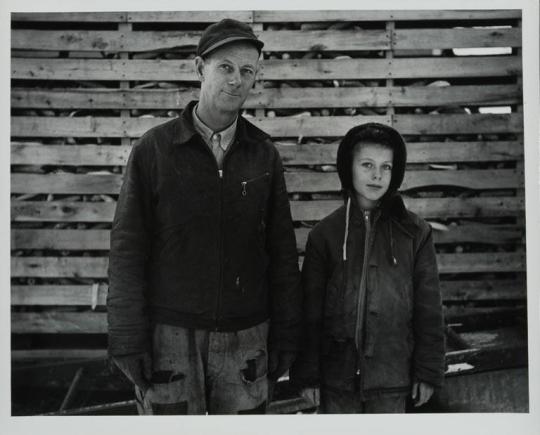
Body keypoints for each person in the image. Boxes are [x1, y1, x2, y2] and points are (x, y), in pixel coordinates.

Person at [107, 18, 301, 415]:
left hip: (246, 338)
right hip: (170, 338)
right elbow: (128, 248)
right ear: (200, 68)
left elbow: (281, 251)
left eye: (247, 71)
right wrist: (127, 338)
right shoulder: (155, 150)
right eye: (225, 67)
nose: (236, 80)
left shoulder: (263, 154)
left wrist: (286, 333)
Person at [290, 123, 445, 413]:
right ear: (347, 167)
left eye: (386, 167)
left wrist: (428, 371)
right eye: (367, 165)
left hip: (392, 378)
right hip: (336, 382)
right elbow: (309, 311)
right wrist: (308, 374)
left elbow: (429, 309)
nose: (377, 175)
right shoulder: (325, 235)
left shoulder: (415, 233)